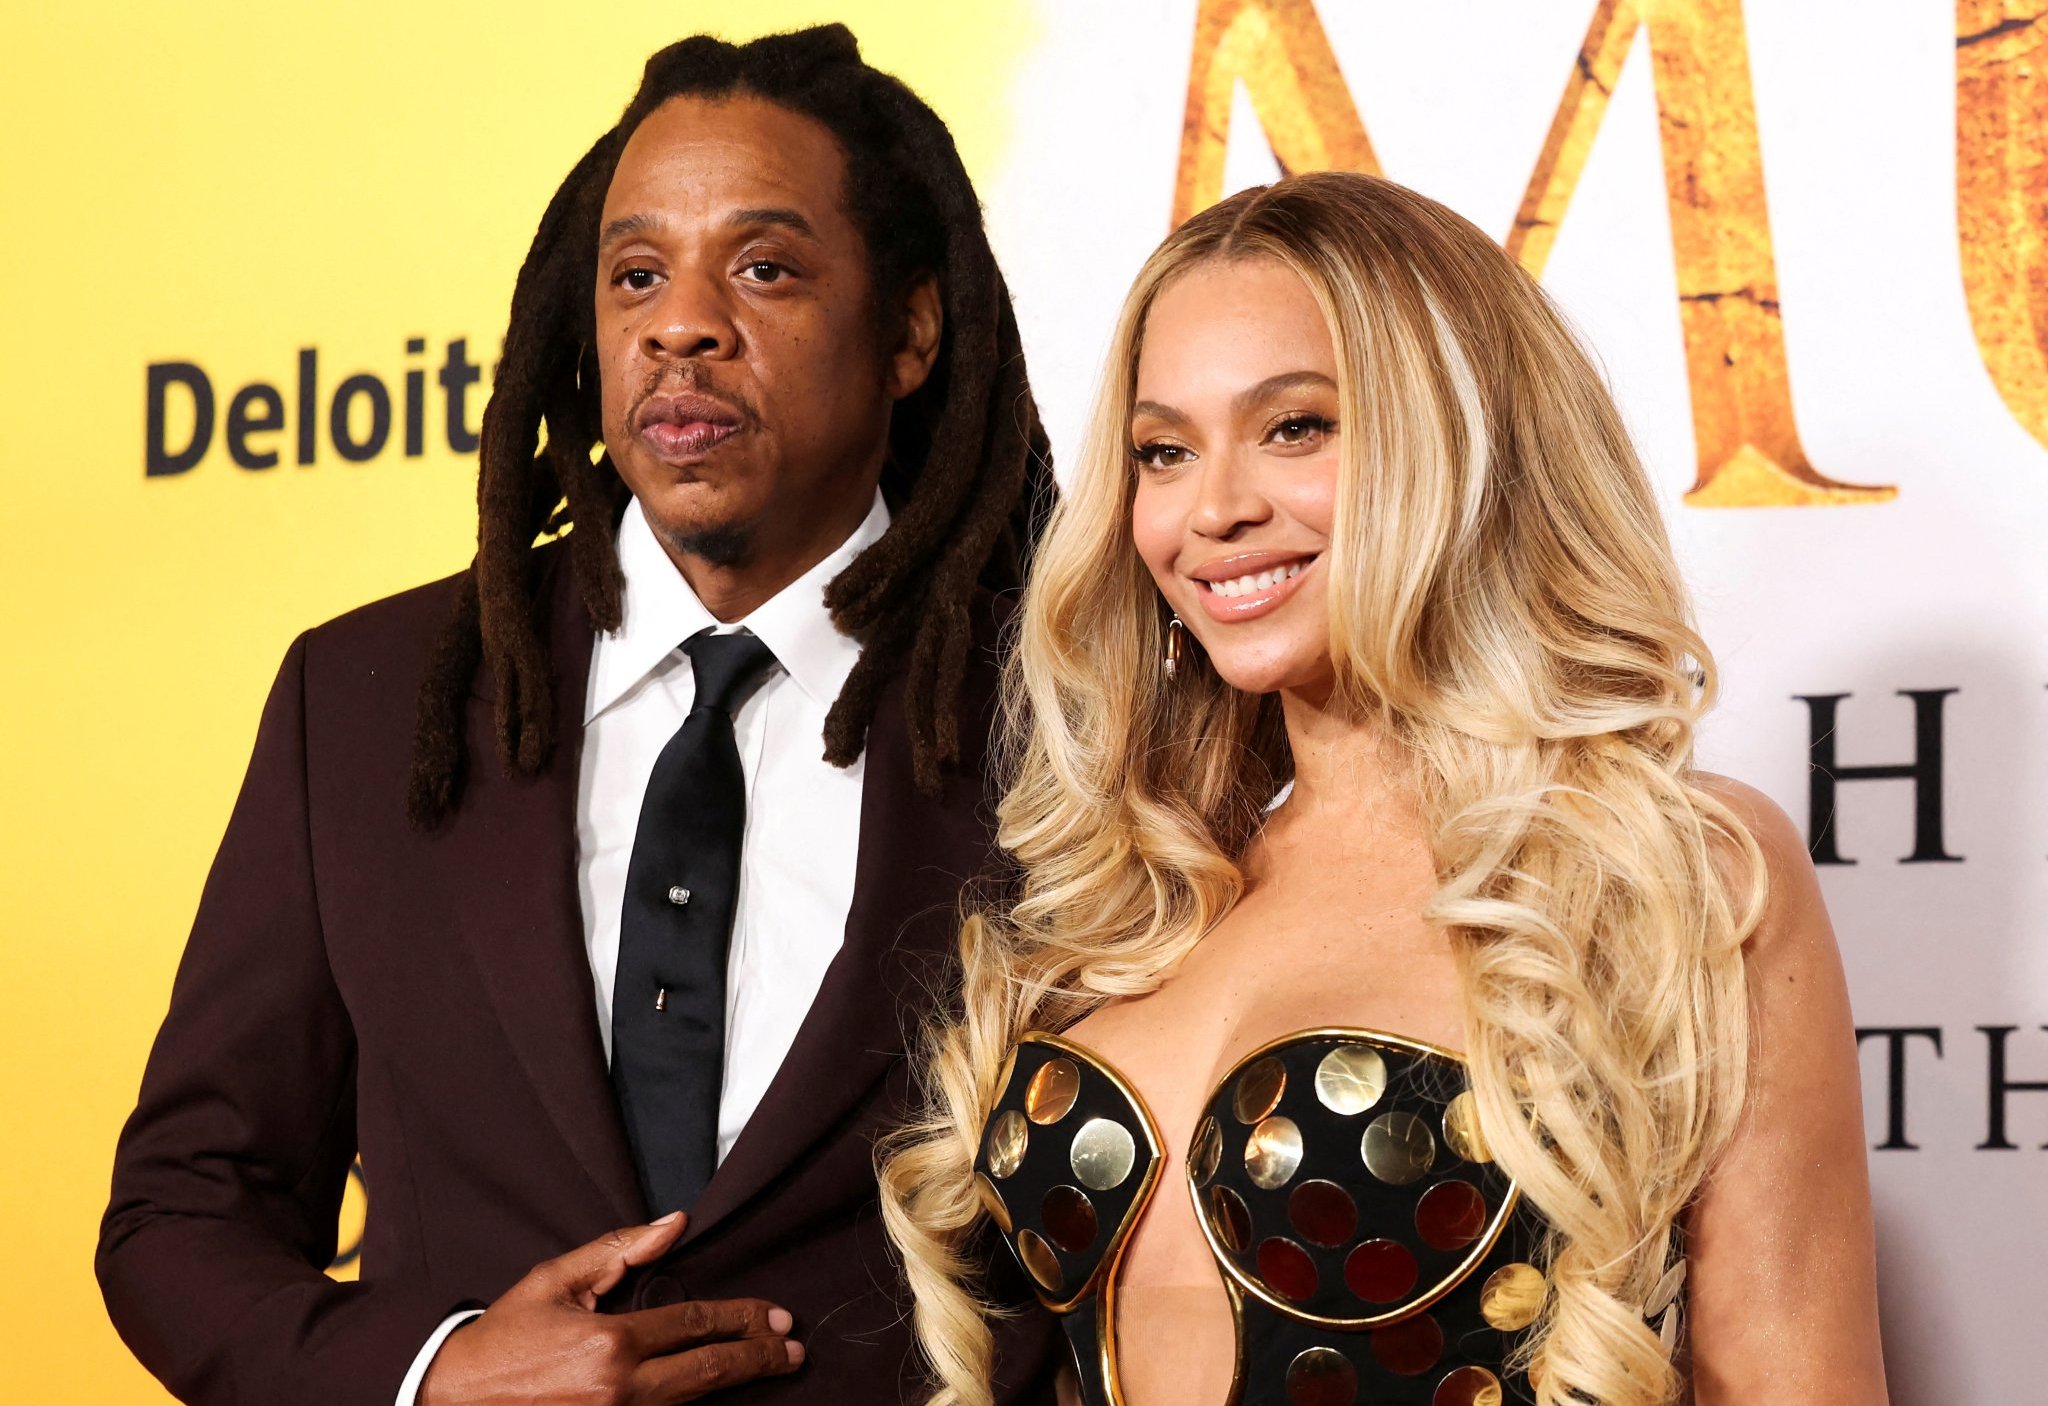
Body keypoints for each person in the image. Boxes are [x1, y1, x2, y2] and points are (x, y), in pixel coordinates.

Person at [97, 27, 1060, 1406]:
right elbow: (184, 1211)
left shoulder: (1073, 708)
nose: (681, 325)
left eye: (764, 267)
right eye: (636, 275)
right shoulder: (365, 701)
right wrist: (430, 1374)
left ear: (910, 332)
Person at [880, 171, 1888, 1406]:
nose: (1215, 508)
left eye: (1295, 426)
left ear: (1456, 439)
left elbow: (1798, 1379)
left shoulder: (1670, 866)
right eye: (1163, 451)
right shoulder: (1146, 890)